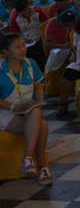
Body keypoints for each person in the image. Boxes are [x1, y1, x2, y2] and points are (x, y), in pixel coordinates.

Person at [0, 34, 52, 185]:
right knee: (42, 126)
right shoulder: (0, 69)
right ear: (6, 51)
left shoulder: (30, 64)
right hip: (6, 110)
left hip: (27, 108)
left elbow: (37, 85)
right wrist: (14, 107)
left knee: (36, 111)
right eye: (17, 47)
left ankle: (27, 158)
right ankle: (42, 167)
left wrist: (40, 100)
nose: (23, 50)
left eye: (23, 45)